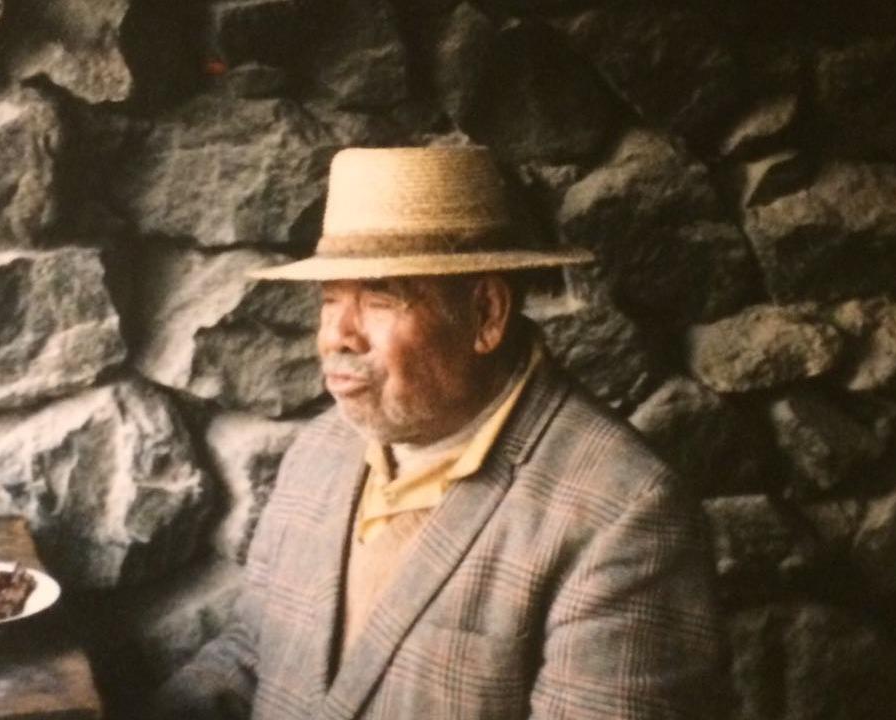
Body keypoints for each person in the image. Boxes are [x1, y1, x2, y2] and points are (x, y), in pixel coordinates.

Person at [151, 146, 724, 719]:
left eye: (379, 298)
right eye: (329, 301)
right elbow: (254, 651)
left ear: (486, 314)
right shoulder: (322, 447)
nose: (337, 337)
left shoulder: (624, 515)